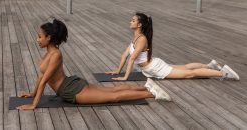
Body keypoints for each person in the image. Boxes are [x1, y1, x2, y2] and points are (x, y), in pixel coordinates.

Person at [16, 18, 171, 110]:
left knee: (113, 97)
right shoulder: (49, 53)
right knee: (109, 92)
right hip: (70, 85)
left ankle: (152, 93)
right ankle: (146, 87)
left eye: (39, 37)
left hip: (72, 91)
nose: (37, 39)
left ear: (49, 38)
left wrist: (33, 105)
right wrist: (33, 93)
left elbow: (44, 81)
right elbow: (41, 76)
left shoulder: (55, 54)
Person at [105, 12, 240, 81]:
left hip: (154, 68)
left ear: (139, 25)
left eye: (133, 20)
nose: (130, 21)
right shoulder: (136, 37)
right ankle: (210, 65)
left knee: (189, 73)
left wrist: (125, 77)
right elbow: (125, 55)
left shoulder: (141, 39)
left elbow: (132, 59)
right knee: (185, 67)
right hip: (153, 65)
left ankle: (224, 73)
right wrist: (118, 70)